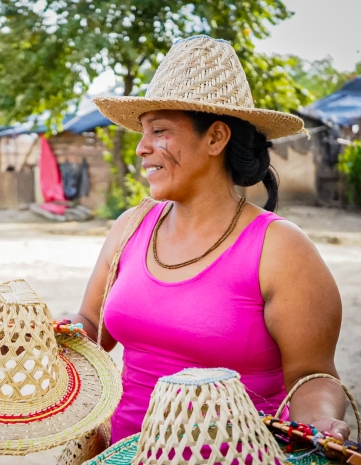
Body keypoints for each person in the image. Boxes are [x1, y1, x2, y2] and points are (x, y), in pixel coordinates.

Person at [65, 35, 349, 445]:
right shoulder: (131, 227)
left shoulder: (280, 249)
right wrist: (52, 332)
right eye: (143, 133)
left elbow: (312, 375)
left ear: (216, 138)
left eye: (159, 131)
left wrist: (318, 424)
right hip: (123, 454)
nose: (142, 148)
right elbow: (92, 328)